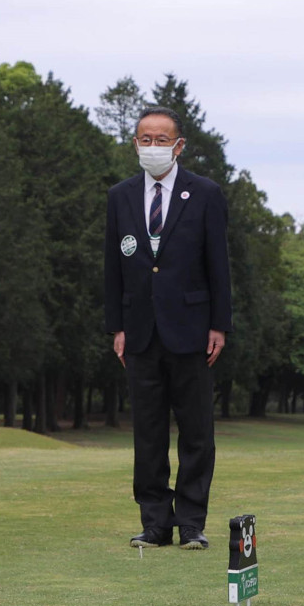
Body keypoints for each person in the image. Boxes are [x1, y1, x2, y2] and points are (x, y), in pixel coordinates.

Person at [104, 106, 232, 550]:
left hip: (192, 328)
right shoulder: (120, 196)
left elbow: (219, 265)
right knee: (149, 432)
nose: (152, 147)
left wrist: (219, 324)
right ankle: (155, 523)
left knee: (196, 431)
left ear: (178, 146)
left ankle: (192, 523)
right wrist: (115, 326)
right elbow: (112, 268)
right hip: (139, 330)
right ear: (135, 143)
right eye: (145, 138)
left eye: (162, 139)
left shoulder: (205, 193)